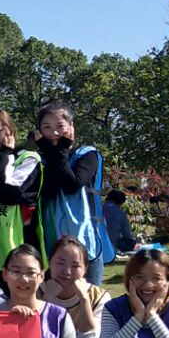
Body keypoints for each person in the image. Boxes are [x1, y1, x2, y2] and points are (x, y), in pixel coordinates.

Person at [34, 100, 114, 285]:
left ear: (71, 127)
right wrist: (50, 152)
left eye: (60, 126)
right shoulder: (37, 161)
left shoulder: (87, 155)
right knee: (53, 301)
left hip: (86, 243)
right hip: (52, 245)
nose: (54, 133)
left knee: (89, 299)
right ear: (39, 131)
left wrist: (61, 149)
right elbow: (49, 190)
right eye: (47, 127)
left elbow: (72, 185)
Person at [0, 107, 43, 283]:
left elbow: (10, 195)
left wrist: (2, 155)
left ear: (10, 130)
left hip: (22, 243)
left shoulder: (28, 158)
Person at [38, 236, 108, 338]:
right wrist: (48, 301)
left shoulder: (98, 296)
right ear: (49, 262)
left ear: (85, 269)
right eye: (60, 263)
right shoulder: (36, 292)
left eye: (75, 266)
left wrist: (84, 300)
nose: (67, 272)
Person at [102, 190, 140, 255]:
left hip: (97, 242)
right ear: (120, 202)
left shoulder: (97, 210)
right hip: (112, 244)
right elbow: (127, 234)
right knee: (131, 242)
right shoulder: (120, 213)